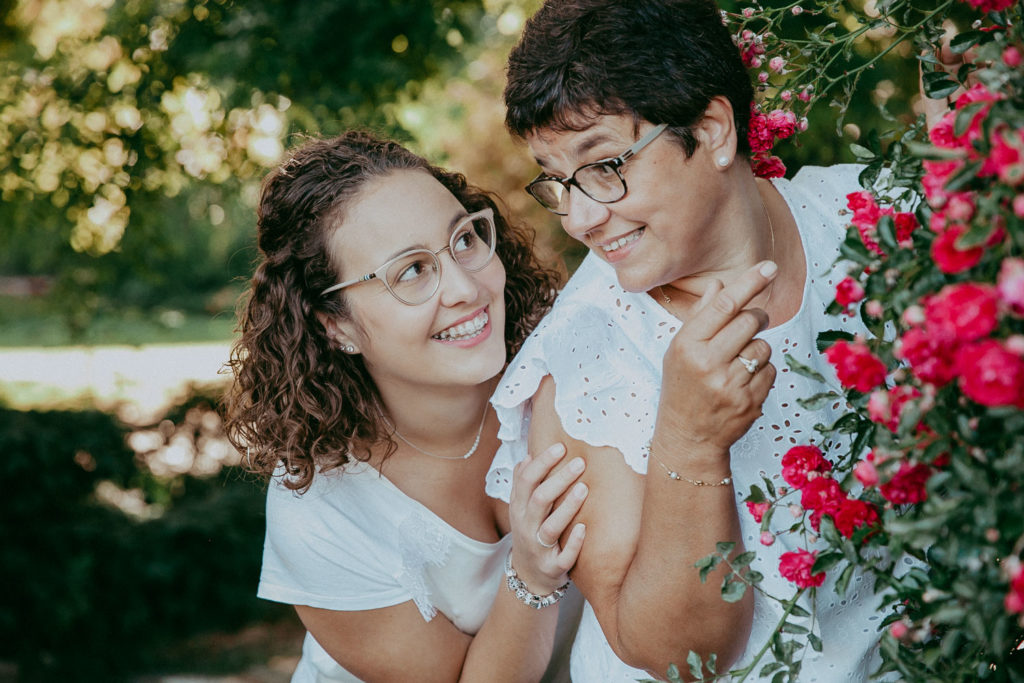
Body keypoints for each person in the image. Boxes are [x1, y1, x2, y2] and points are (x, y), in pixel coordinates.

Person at [485, 0, 897, 680]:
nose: (581, 217)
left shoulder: (872, 220)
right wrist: (689, 437)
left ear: (710, 131)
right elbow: (676, 656)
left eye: (605, 164)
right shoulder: (584, 354)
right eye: (558, 181)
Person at [224, 131, 587, 682]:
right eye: (412, 271)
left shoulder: (570, 370)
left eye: (464, 239)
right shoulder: (321, 514)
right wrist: (532, 575)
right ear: (336, 324)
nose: (466, 287)